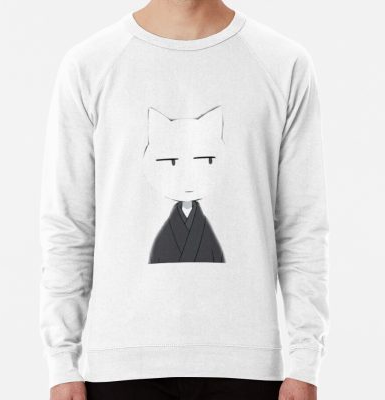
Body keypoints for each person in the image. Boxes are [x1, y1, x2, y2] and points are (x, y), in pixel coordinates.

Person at [40, 1, 329, 399]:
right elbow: (69, 225)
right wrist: (61, 362)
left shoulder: (283, 64)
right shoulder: (89, 65)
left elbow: (302, 226)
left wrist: (305, 361)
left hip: (247, 363)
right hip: (120, 365)